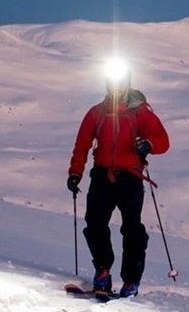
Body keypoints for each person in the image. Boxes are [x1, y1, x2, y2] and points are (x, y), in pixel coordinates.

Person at [66, 60, 170, 297]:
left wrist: (149, 145)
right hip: (102, 177)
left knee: (132, 230)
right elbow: (81, 145)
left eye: (120, 82)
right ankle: (102, 271)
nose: (116, 87)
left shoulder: (140, 112)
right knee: (95, 224)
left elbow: (163, 141)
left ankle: (130, 281)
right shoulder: (96, 113)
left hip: (130, 178)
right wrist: (75, 173)